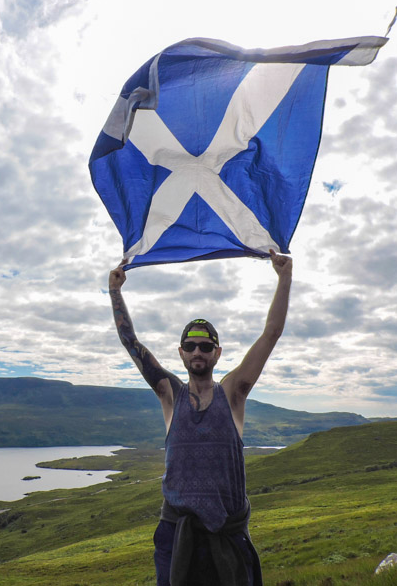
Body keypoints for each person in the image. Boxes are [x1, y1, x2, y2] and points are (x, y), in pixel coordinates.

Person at [108, 250, 292, 586]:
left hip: (227, 535)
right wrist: (116, 291)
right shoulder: (170, 395)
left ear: (217, 353)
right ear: (180, 352)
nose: (197, 352)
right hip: (176, 535)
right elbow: (130, 342)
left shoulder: (233, 394)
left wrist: (284, 278)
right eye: (190, 346)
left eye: (206, 347)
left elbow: (271, 334)